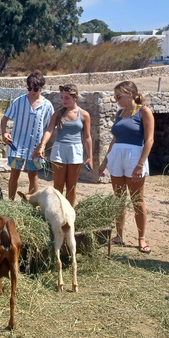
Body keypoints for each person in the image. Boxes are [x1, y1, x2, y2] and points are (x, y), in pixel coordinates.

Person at [98, 81, 155, 254]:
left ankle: (141, 238)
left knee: (137, 199)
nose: (116, 100)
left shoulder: (144, 111)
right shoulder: (119, 113)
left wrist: (140, 164)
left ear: (130, 93)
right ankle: (119, 235)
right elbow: (114, 139)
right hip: (117, 156)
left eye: (118, 96)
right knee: (119, 198)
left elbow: (149, 140)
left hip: (134, 156)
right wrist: (105, 161)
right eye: (115, 97)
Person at [33, 84, 92, 206]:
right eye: (62, 97)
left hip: (75, 150)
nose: (63, 100)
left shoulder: (84, 114)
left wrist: (90, 157)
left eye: (67, 98)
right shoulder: (58, 114)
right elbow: (49, 130)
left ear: (75, 97)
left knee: (71, 186)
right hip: (59, 148)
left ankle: (69, 213)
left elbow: (87, 137)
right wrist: (42, 145)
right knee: (58, 185)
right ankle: (57, 212)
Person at [1, 72, 55, 200]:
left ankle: (31, 204)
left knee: (33, 175)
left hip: (35, 146)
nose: (32, 91)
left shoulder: (47, 106)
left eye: (35, 89)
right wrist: (4, 132)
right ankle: (10, 202)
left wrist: (42, 145)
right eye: (29, 88)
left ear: (41, 88)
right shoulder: (18, 101)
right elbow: (4, 119)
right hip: (16, 145)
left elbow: (50, 128)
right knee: (14, 173)